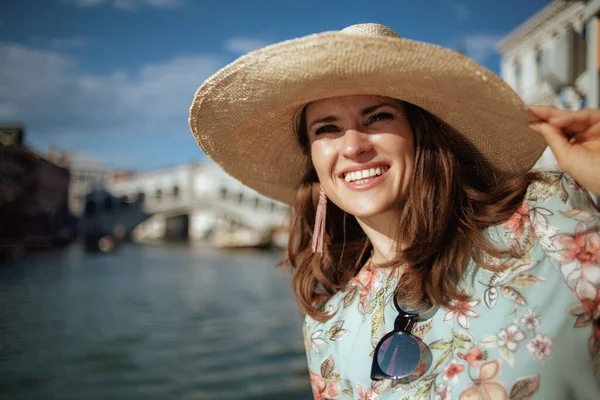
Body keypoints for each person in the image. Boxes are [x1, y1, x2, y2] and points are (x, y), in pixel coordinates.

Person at [188, 23, 600, 399]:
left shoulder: (543, 218)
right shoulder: (326, 326)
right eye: (326, 129)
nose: (353, 146)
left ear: (418, 134)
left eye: (378, 117)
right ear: (313, 161)